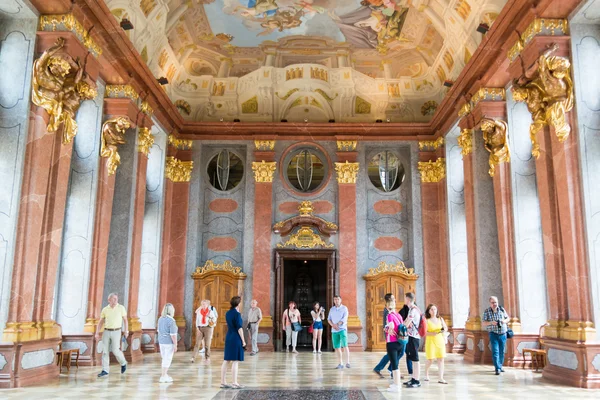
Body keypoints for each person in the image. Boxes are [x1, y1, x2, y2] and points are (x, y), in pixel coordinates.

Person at [95, 293, 128, 377]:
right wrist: (97, 332)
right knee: (105, 351)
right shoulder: (105, 309)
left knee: (115, 350)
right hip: (106, 331)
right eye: (113, 299)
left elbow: (125, 320)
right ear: (109, 300)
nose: (115, 300)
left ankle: (123, 363)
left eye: (116, 298)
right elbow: (101, 321)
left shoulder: (121, 308)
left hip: (117, 331)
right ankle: (105, 370)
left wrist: (126, 331)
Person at [221, 296, 246, 389]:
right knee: (235, 361)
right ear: (238, 303)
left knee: (226, 360)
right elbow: (239, 328)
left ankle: (223, 382)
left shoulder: (228, 313)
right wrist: (243, 341)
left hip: (229, 336)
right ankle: (234, 382)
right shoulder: (237, 314)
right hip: (236, 338)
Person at [384, 296, 408, 393]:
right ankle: (396, 384)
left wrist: (387, 329)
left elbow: (392, 326)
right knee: (396, 364)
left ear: (386, 306)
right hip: (400, 343)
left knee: (394, 365)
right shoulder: (399, 315)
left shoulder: (389, 315)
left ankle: (396, 386)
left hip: (392, 343)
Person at [482, 296, 510, 375]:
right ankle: (497, 368)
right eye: (493, 302)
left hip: (503, 333)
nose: (495, 304)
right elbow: (483, 322)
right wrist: (491, 322)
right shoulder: (487, 311)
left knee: (502, 351)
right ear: (490, 303)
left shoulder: (502, 309)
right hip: (493, 333)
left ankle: (500, 366)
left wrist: (504, 321)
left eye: (496, 302)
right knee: (495, 351)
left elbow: (508, 318)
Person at [424, 304, 448, 384]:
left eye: (435, 309)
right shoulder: (426, 320)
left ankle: (441, 378)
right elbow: (424, 333)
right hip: (430, 341)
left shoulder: (440, 319)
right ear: (429, 311)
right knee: (430, 359)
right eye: (431, 309)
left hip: (440, 340)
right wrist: (432, 333)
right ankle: (426, 373)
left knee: (441, 359)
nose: (433, 311)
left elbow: (445, 328)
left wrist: (443, 329)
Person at [373, 293, 395, 378]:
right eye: (393, 298)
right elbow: (388, 323)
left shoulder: (391, 308)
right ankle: (386, 369)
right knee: (392, 353)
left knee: (394, 353)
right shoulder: (387, 309)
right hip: (390, 333)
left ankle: (391, 369)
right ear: (389, 299)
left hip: (392, 333)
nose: (395, 299)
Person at [403, 292, 421, 388]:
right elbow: (406, 321)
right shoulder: (411, 309)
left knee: (415, 359)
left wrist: (399, 327)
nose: (404, 300)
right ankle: (413, 378)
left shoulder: (414, 310)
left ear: (408, 299)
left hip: (414, 337)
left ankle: (417, 380)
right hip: (411, 336)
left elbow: (406, 323)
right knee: (412, 358)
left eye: (405, 298)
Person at [157, 303, 178, 383]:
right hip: (169, 342)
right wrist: (175, 344)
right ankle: (163, 375)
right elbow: (173, 335)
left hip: (161, 341)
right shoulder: (171, 321)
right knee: (168, 358)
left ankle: (164, 374)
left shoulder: (160, 319)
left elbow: (158, 331)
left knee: (164, 357)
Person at [328, 295, 350, 369]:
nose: (336, 301)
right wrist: (333, 325)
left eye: (338, 299)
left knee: (345, 345)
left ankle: (347, 362)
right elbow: (329, 319)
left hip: (342, 329)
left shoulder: (344, 308)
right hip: (334, 330)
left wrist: (337, 324)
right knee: (337, 347)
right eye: (335, 299)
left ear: (340, 300)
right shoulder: (332, 309)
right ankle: (340, 363)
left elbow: (344, 318)